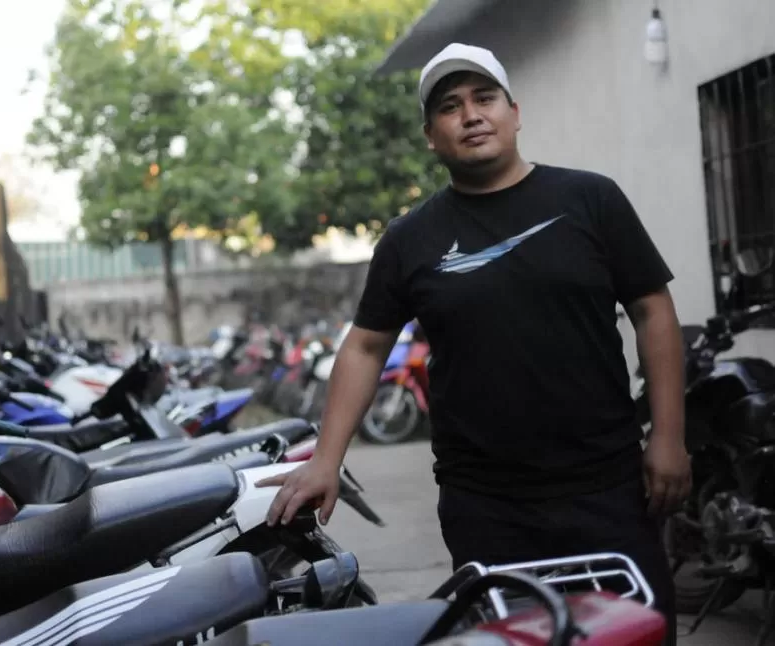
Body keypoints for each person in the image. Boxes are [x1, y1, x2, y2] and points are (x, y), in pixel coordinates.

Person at [257, 43, 690, 643]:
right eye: (451, 106)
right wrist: (327, 458)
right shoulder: (411, 238)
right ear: (432, 136)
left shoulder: (591, 200)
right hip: (487, 504)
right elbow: (364, 347)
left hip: (608, 487)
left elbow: (652, 310)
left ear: (515, 111)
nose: (472, 115)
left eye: (485, 98)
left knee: (634, 636)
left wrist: (668, 437)